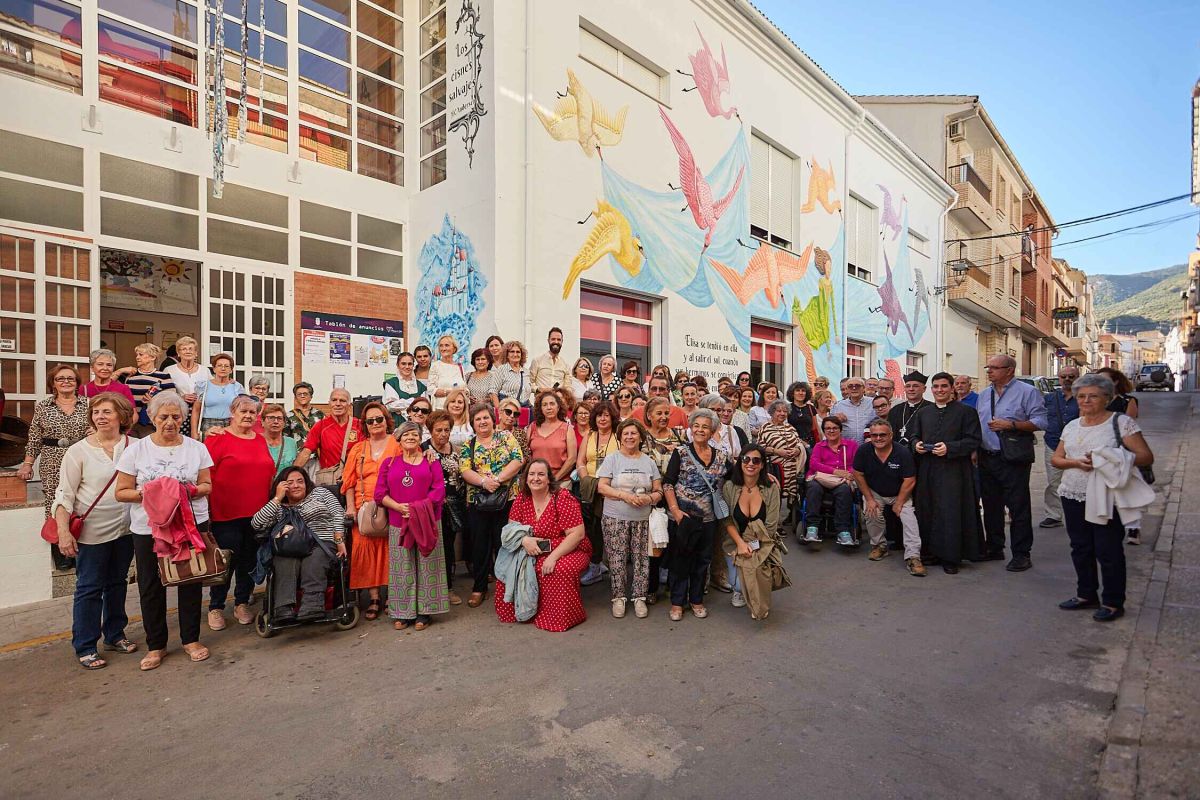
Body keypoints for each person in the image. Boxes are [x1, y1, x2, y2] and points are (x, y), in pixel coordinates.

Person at [114, 391, 213, 670]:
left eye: (175, 416)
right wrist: (157, 493)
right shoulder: (136, 450)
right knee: (151, 585)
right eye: (163, 416)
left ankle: (191, 639)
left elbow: (207, 486)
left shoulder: (197, 448)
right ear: (153, 418)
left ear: (183, 418)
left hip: (192, 524)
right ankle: (156, 645)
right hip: (149, 529)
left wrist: (183, 491)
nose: (169, 422)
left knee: (191, 580)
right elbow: (121, 492)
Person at [1051, 373, 1154, 622]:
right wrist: (1076, 462)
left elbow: (1145, 456)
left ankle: (1112, 601)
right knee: (1080, 547)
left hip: (1107, 495)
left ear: (1107, 398)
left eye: (1093, 396)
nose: (1086, 401)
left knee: (1108, 550)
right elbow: (1056, 459)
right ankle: (1086, 593)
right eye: (1081, 396)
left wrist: (1112, 456)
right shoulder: (1072, 425)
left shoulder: (1120, 423)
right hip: (1072, 493)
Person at [52, 392, 137, 669]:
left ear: (122, 416)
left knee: (117, 583)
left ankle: (115, 634)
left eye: (107, 412)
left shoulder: (135, 446)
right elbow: (64, 496)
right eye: (96, 412)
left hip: (126, 530)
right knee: (89, 588)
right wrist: (64, 532)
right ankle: (86, 644)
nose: (100, 417)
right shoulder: (78, 451)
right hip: (92, 533)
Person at [203, 394, 275, 630]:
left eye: (252, 412)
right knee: (226, 561)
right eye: (242, 411)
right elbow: (205, 476)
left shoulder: (260, 440)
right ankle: (216, 606)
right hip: (226, 513)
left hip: (257, 513)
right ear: (232, 413)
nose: (247, 415)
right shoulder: (217, 438)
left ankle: (242, 602)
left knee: (249, 560)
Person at [496, 459, 591, 631]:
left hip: (567, 548)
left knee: (559, 570)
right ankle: (527, 612)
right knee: (510, 568)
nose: (536, 478)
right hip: (532, 549)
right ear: (525, 478)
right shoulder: (522, 499)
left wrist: (554, 557)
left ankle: (557, 618)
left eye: (541, 474)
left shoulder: (562, 498)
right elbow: (512, 528)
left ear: (549, 479)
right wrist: (524, 540)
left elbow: (577, 535)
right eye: (531, 474)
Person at [977, 354, 1048, 572]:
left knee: (1018, 507)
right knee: (991, 506)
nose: (989, 371)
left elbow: (1041, 421)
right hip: (986, 456)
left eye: (994, 368)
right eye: (988, 367)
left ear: (1009, 370)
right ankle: (995, 547)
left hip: (1013, 458)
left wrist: (1011, 425)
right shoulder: (984, 394)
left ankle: (1021, 554)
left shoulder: (1028, 393)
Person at [376, 422, 449, 630]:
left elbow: (438, 491)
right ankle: (403, 612)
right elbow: (380, 494)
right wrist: (399, 507)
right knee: (402, 567)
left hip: (427, 520)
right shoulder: (389, 463)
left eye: (414, 434)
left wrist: (417, 509)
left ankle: (425, 612)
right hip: (399, 522)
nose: (410, 437)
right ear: (398, 440)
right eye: (405, 434)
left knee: (428, 565)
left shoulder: (431, 461)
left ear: (420, 439)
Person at [909, 374, 985, 574]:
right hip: (928, 468)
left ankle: (951, 556)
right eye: (936, 386)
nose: (940, 390)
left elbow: (974, 439)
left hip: (954, 470)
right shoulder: (923, 413)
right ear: (931, 389)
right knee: (928, 509)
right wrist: (916, 445)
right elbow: (914, 435)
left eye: (944, 386)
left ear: (952, 388)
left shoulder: (966, 412)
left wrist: (950, 448)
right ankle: (930, 552)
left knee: (950, 512)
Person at [250, 467, 346, 623]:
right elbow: (256, 524)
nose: (296, 485)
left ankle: (312, 605)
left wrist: (340, 540)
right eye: (290, 483)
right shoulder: (279, 506)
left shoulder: (320, 494)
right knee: (283, 560)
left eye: (300, 481)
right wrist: (277, 498)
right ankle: (283, 607)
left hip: (321, 541)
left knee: (314, 559)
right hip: (290, 546)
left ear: (306, 483)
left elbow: (338, 514)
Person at [19, 364, 91, 571]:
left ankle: (81, 548)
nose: (66, 381)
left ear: (77, 383)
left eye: (71, 378)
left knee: (82, 499)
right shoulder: (43, 406)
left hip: (81, 457)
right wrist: (27, 463)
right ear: (53, 383)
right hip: (52, 459)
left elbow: (96, 429)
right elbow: (34, 437)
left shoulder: (88, 404)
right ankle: (60, 548)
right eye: (61, 379)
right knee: (54, 501)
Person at [662, 408, 729, 622]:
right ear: (691, 428)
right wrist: (675, 511)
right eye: (696, 426)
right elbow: (668, 484)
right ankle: (677, 602)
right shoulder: (680, 453)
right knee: (681, 560)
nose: (700, 430)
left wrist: (766, 477)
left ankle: (697, 599)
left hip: (709, 519)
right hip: (683, 517)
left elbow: (739, 475)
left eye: (705, 427)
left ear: (713, 431)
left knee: (702, 561)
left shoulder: (721, 456)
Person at [459, 403, 525, 607]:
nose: (482, 422)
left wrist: (497, 479)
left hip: (507, 499)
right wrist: (483, 482)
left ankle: (509, 586)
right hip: (479, 501)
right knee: (480, 546)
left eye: (485, 417)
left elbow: (518, 459)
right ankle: (479, 588)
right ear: (472, 424)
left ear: (492, 419)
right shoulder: (467, 445)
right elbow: (464, 470)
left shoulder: (506, 437)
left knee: (505, 542)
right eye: (477, 419)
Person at [597, 419, 663, 619]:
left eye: (633, 433)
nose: (629, 437)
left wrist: (649, 498)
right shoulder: (612, 459)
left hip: (642, 518)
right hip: (615, 517)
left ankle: (639, 597)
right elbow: (602, 487)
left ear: (640, 437)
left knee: (641, 558)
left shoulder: (649, 461)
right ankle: (618, 597)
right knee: (616, 558)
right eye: (625, 434)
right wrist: (624, 496)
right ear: (620, 437)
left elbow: (659, 490)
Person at [341, 401, 402, 621]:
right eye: (370, 421)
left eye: (379, 419)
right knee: (364, 548)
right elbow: (348, 482)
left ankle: (390, 595)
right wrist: (350, 508)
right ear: (365, 425)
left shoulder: (398, 444)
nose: (375, 423)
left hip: (391, 504)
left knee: (390, 550)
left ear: (386, 420)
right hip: (363, 506)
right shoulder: (357, 448)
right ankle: (374, 597)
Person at [852, 420, 924, 576]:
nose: (878, 438)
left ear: (891, 435)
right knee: (872, 512)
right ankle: (879, 546)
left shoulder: (902, 452)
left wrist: (899, 503)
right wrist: (869, 499)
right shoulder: (864, 451)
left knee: (909, 518)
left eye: (882, 435)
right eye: (874, 435)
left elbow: (910, 479)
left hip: (900, 493)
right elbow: (858, 474)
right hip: (875, 492)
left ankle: (913, 557)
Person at [718, 444, 782, 616]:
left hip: (762, 543)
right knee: (738, 584)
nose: (750, 464)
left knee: (758, 573)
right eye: (746, 459)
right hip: (734, 543)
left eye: (756, 460)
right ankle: (740, 589)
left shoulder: (771, 489)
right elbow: (726, 518)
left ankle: (760, 587)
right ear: (740, 462)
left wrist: (751, 546)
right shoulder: (730, 487)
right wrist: (740, 544)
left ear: (762, 465)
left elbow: (771, 526)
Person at [423, 410, 467, 605]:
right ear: (430, 430)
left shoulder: (457, 450)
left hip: (455, 505)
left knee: (449, 548)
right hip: (431, 506)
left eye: (446, 430)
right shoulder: (422, 450)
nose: (443, 434)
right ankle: (430, 588)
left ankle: (448, 588)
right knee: (432, 547)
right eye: (438, 430)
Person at [1096, 367, 1142, 545]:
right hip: (1100, 448)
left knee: (1127, 489)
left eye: (1104, 379)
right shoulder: (1094, 399)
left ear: (1115, 381)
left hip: (1122, 449)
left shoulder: (1128, 400)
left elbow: (1129, 424)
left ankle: (1133, 527)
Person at [576, 400, 618, 586]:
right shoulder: (589, 436)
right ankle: (595, 565)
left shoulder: (618, 436)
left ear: (612, 417)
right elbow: (580, 462)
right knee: (592, 529)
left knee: (607, 530)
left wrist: (605, 484)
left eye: (606, 415)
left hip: (611, 488)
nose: (602, 418)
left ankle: (608, 567)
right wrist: (586, 480)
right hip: (590, 488)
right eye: (599, 415)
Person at [295, 388, 363, 498]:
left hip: (356, 482)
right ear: (329, 403)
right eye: (334, 400)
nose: (338, 404)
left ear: (349, 405)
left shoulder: (359, 425)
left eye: (342, 401)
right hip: (331, 483)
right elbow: (306, 452)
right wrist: (291, 473)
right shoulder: (321, 426)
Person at [802, 417, 858, 545]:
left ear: (840, 430)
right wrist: (835, 472)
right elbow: (814, 464)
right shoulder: (819, 446)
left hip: (842, 480)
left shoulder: (851, 445)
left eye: (834, 428)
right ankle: (812, 527)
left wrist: (848, 473)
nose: (831, 431)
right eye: (828, 428)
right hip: (821, 478)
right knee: (814, 488)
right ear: (824, 431)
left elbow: (856, 464)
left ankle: (843, 530)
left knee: (844, 490)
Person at [1040, 366, 1080, 530]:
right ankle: (1054, 515)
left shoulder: (1084, 397)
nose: (1067, 379)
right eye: (1064, 376)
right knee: (1054, 482)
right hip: (1053, 444)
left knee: (1079, 480)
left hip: (1078, 445)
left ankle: (1081, 514)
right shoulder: (1049, 398)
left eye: (1071, 376)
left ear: (1078, 377)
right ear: (1059, 378)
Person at [757, 399, 807, 524]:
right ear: (772, 412)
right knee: (775, 497)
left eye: (785, 411)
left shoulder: (790, 427)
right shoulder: (765, 427)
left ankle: (793, 519)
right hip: (775, 468)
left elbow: (798, 442)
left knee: (794, 495)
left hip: (792, 468)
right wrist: (777, 451)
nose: (782, 414)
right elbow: (760, 448)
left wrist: (797, 450)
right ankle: (774, 525)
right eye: (779, 411)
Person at [164, 336, 211, 439]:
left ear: (196, 353)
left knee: (199, 442)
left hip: (201, 413)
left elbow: (212, 389)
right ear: (178, 353)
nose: (188, 351)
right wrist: (181, 397)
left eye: (191, 349)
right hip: (179, 411)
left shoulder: (205, 370)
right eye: (184, 349)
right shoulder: (169, 370)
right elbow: (165, 394)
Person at [529, 390, 577, 484]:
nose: (549, 408)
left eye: (552, 404)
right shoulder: (532, 427)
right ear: (540, 408)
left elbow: (572, 459)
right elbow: (526, 454)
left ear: (558, 407)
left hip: (561, 481)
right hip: (536, 481)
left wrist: (554, 479)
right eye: (545, 405)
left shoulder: (567, 429)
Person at [192, 353, 244, 438]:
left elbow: (242, 408)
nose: (223, 368)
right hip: (209, 425)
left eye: (226, 366)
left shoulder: (237, 387)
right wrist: (194, 432)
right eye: (219, 365)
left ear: (231, 370)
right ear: (214, 369)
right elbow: (196, 410)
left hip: (231, 424)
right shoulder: (204, 386)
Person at [382, 351, 428, 422]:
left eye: (410, 364)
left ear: (413, 365)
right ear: (397, 365)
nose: (407, 367)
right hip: (397, 424)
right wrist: (413, 401)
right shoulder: (391, 383)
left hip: (417, 425)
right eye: (403, 364)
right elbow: (390, 406)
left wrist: (400, 405)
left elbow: (425, 407)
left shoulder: (421, 386)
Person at [888, 371, 929, 448]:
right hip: (897, 453)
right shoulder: (895, 410)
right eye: (908, 386)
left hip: (920, 453)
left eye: (915, 386)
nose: (911, 389)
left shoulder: (931, 409)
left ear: (924, 389)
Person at [831, 377, 873, 446]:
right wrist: (835, 420)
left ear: (864, 388)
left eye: (857, 386)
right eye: (850, 386)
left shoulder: (872, 403)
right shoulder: (838, 406)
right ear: (847, 389)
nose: (854, 388)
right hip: (846, 448)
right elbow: (831, 426)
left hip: (869, 447)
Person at [429, 334, 466, 410]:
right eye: (441, 346)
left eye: (447, 345)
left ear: (454, 348)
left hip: (458, 410)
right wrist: (451, 392)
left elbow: (464, 386)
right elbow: (431, 390)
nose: (443, 348)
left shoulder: (459, 367)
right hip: (441, 410)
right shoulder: (435, 366)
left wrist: (466, 392)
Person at [496, 339, 534, 412]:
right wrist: (499, 411)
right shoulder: (501, 370)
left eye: (518, 352)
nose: (515, 354)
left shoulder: (526, 372)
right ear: (507, 355)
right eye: (512, 351)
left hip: (524, 410)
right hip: (507, 411)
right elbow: (493, 392)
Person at [530, 327, 569, 391]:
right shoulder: (537, 361)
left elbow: (568, 387)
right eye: (553, 339)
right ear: (548, 340)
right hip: (541, 399)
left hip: (558, 400)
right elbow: (529, 383)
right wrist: (539, 389)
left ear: (562, 341)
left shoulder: (565, 365)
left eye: (559, 339)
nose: (556, 342)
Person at [261, 403, 298, 469]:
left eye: (279, 418)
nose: (276, 421)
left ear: (284, 423)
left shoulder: (291, 443)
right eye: (271, 418)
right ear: (262, 421)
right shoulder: (255, 441)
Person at [786, 381, 818, 448]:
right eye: (797, 390)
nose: (801, 393)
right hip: (793, 443)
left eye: (803, 391)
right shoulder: (787, 408)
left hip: (810, 444)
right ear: (792, 393)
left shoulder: (811, 408)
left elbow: (815, 428)